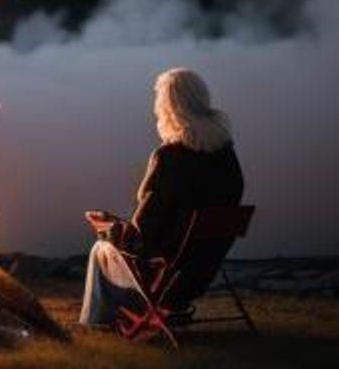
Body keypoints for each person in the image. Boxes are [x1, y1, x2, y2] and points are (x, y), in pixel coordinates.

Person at [78, 67, 244, 328]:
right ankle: (172, 309)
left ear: (169, 108)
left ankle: (99, 321)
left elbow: (143, 232)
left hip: (162, 271)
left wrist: (112, 227)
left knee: (101, 248)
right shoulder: (226, 155)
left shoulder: (168, 157)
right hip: (203, 269)